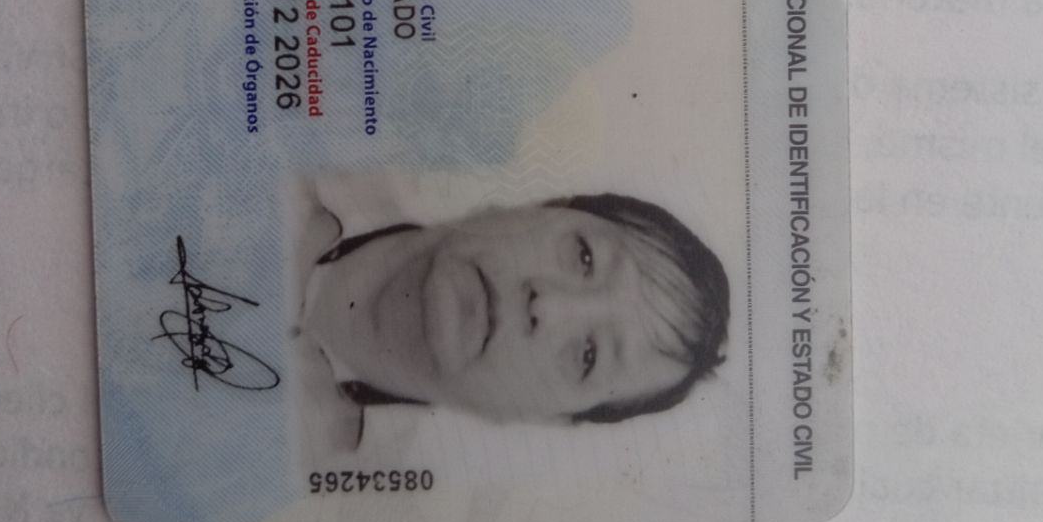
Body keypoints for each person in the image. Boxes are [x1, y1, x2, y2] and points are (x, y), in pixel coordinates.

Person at [292, 180, 730, 454]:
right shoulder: (307, 167)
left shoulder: (337, 492)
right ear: (544, 204)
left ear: (546, 418)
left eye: (589, 356)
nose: (548, 306)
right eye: (584, 257)